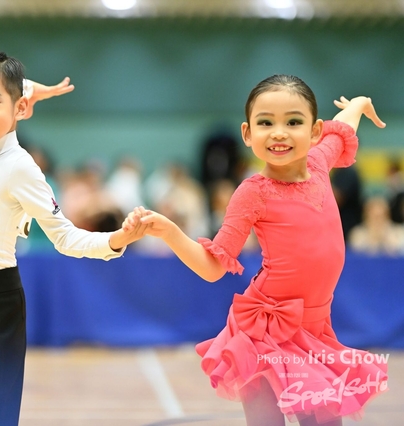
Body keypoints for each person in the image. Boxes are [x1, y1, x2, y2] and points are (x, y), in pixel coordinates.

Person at [125, 75, 388, 426]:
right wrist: (171, 232)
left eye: (293, 122)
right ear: (248, 134)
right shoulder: (253, 193)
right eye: (266, 122)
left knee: (325, 421)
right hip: (264, 331)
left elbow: (341, 129)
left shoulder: (321, 163)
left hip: (315, 328)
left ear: (314, 131)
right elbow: (213, 266)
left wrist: (358, 104)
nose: (279, 132)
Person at [0, 48, 146, 426]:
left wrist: (116, 239)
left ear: (18, 110)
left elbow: (64, 237)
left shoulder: (20, 167)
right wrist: (28, 92)